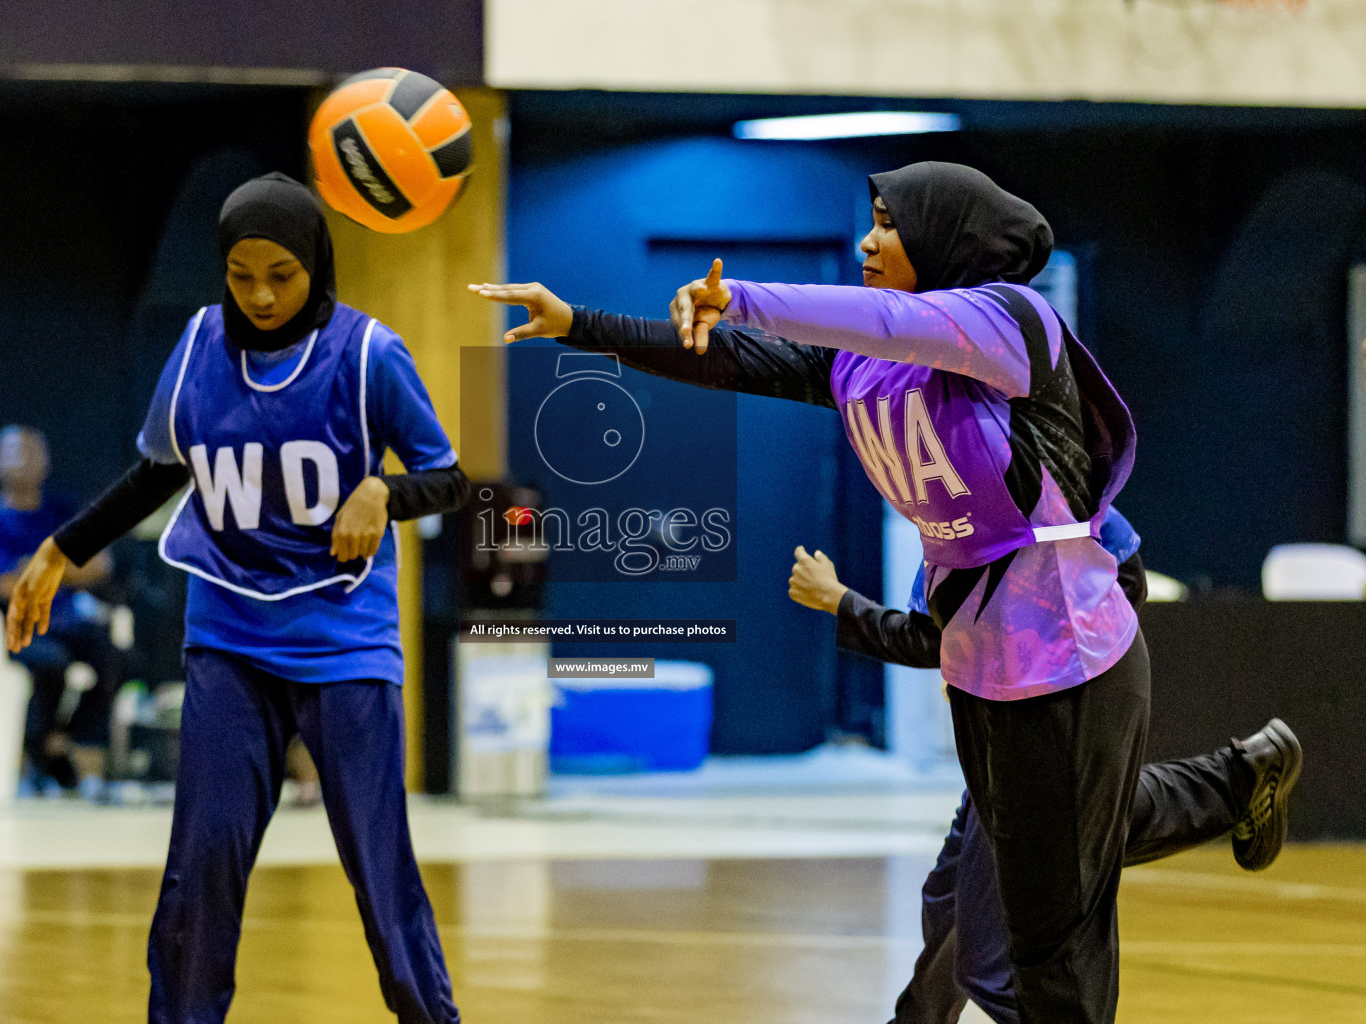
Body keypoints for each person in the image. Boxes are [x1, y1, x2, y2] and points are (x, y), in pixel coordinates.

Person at [472, 161, 1297, 1023]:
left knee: (1047, 943)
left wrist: (742, 294)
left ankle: (1237, 783)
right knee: (1018, 878)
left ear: (947, 237)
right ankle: (1240, 780)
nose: (868, 239)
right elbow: (729, 362)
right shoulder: (868, 369)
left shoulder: (1011, 319)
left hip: (1072, 658)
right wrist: (578, 323)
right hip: (983, 667)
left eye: (888, 222)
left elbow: (890, 319)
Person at [5, 173, 468, 1024]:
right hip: (229, 632)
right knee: (201, 866)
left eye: (280, 275)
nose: (258, 294)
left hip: (342, 639)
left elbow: (449, 480)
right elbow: (161, 470)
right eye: (241, 274)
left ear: (316, 265)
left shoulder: (369, 356)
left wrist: (386, 495)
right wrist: (60, 549)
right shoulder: (199, 344)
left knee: (378, 866)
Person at [786, 512, 1299, 1024]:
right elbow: (1125, 579)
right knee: (957, 899)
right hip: (1022, 715)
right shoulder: (1014, 490)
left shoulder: (994, 498)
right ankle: (1241, 779)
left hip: (1035, 718)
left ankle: (1238, 781)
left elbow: (934, 638)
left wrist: (841, 601)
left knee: (1000, 951)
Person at [0, 425, 119, 789]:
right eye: (13, 452)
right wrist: (62, 568)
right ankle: (44, 754)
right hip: (17, 629)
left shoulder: (62, 511)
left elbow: (100, 565)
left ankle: (56, 745)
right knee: (50, 663)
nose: (23, 460)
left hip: (67, 622)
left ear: (46, 460)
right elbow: (4, 585)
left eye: (31, 451)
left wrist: (32, 568)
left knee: (112, 654)